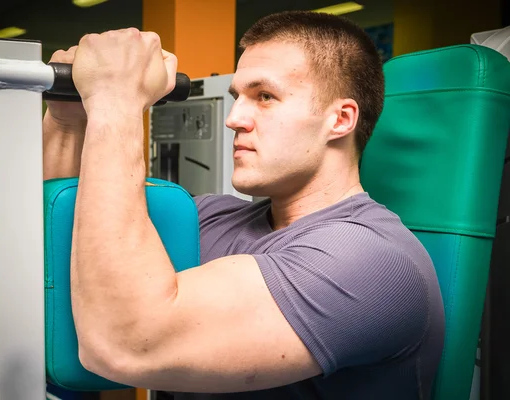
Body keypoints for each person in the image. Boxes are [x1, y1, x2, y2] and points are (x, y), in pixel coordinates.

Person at [43, 10, 445, 400]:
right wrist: (68, 121)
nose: (234, 118)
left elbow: (127, 345)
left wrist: (117, 101)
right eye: (238, 97)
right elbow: (52, 259)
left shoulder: (371, 262)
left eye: (265, 96)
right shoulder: (211, 216)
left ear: (340, 119)